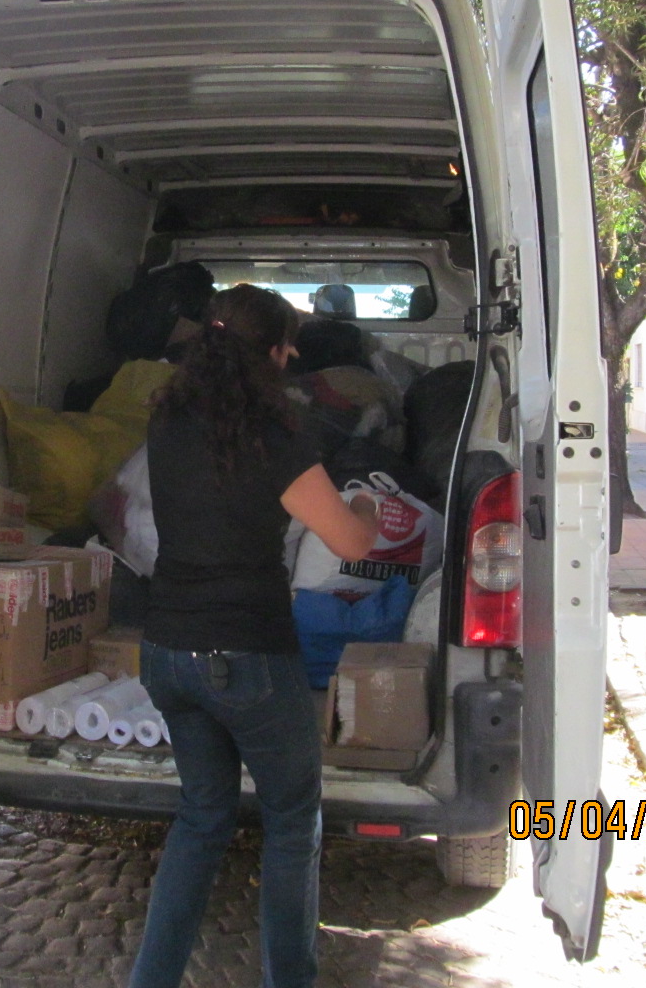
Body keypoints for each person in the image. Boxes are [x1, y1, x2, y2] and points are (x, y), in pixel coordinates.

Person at [130, 285, 380, 988]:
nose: (294, 355)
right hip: (248, 656)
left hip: (168, 652)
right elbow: (350, 540)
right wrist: (363, 501)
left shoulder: (165, 418)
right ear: (269, 353)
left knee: (202, 817)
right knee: (293, 819)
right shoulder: (276, 439)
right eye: (287, 344)